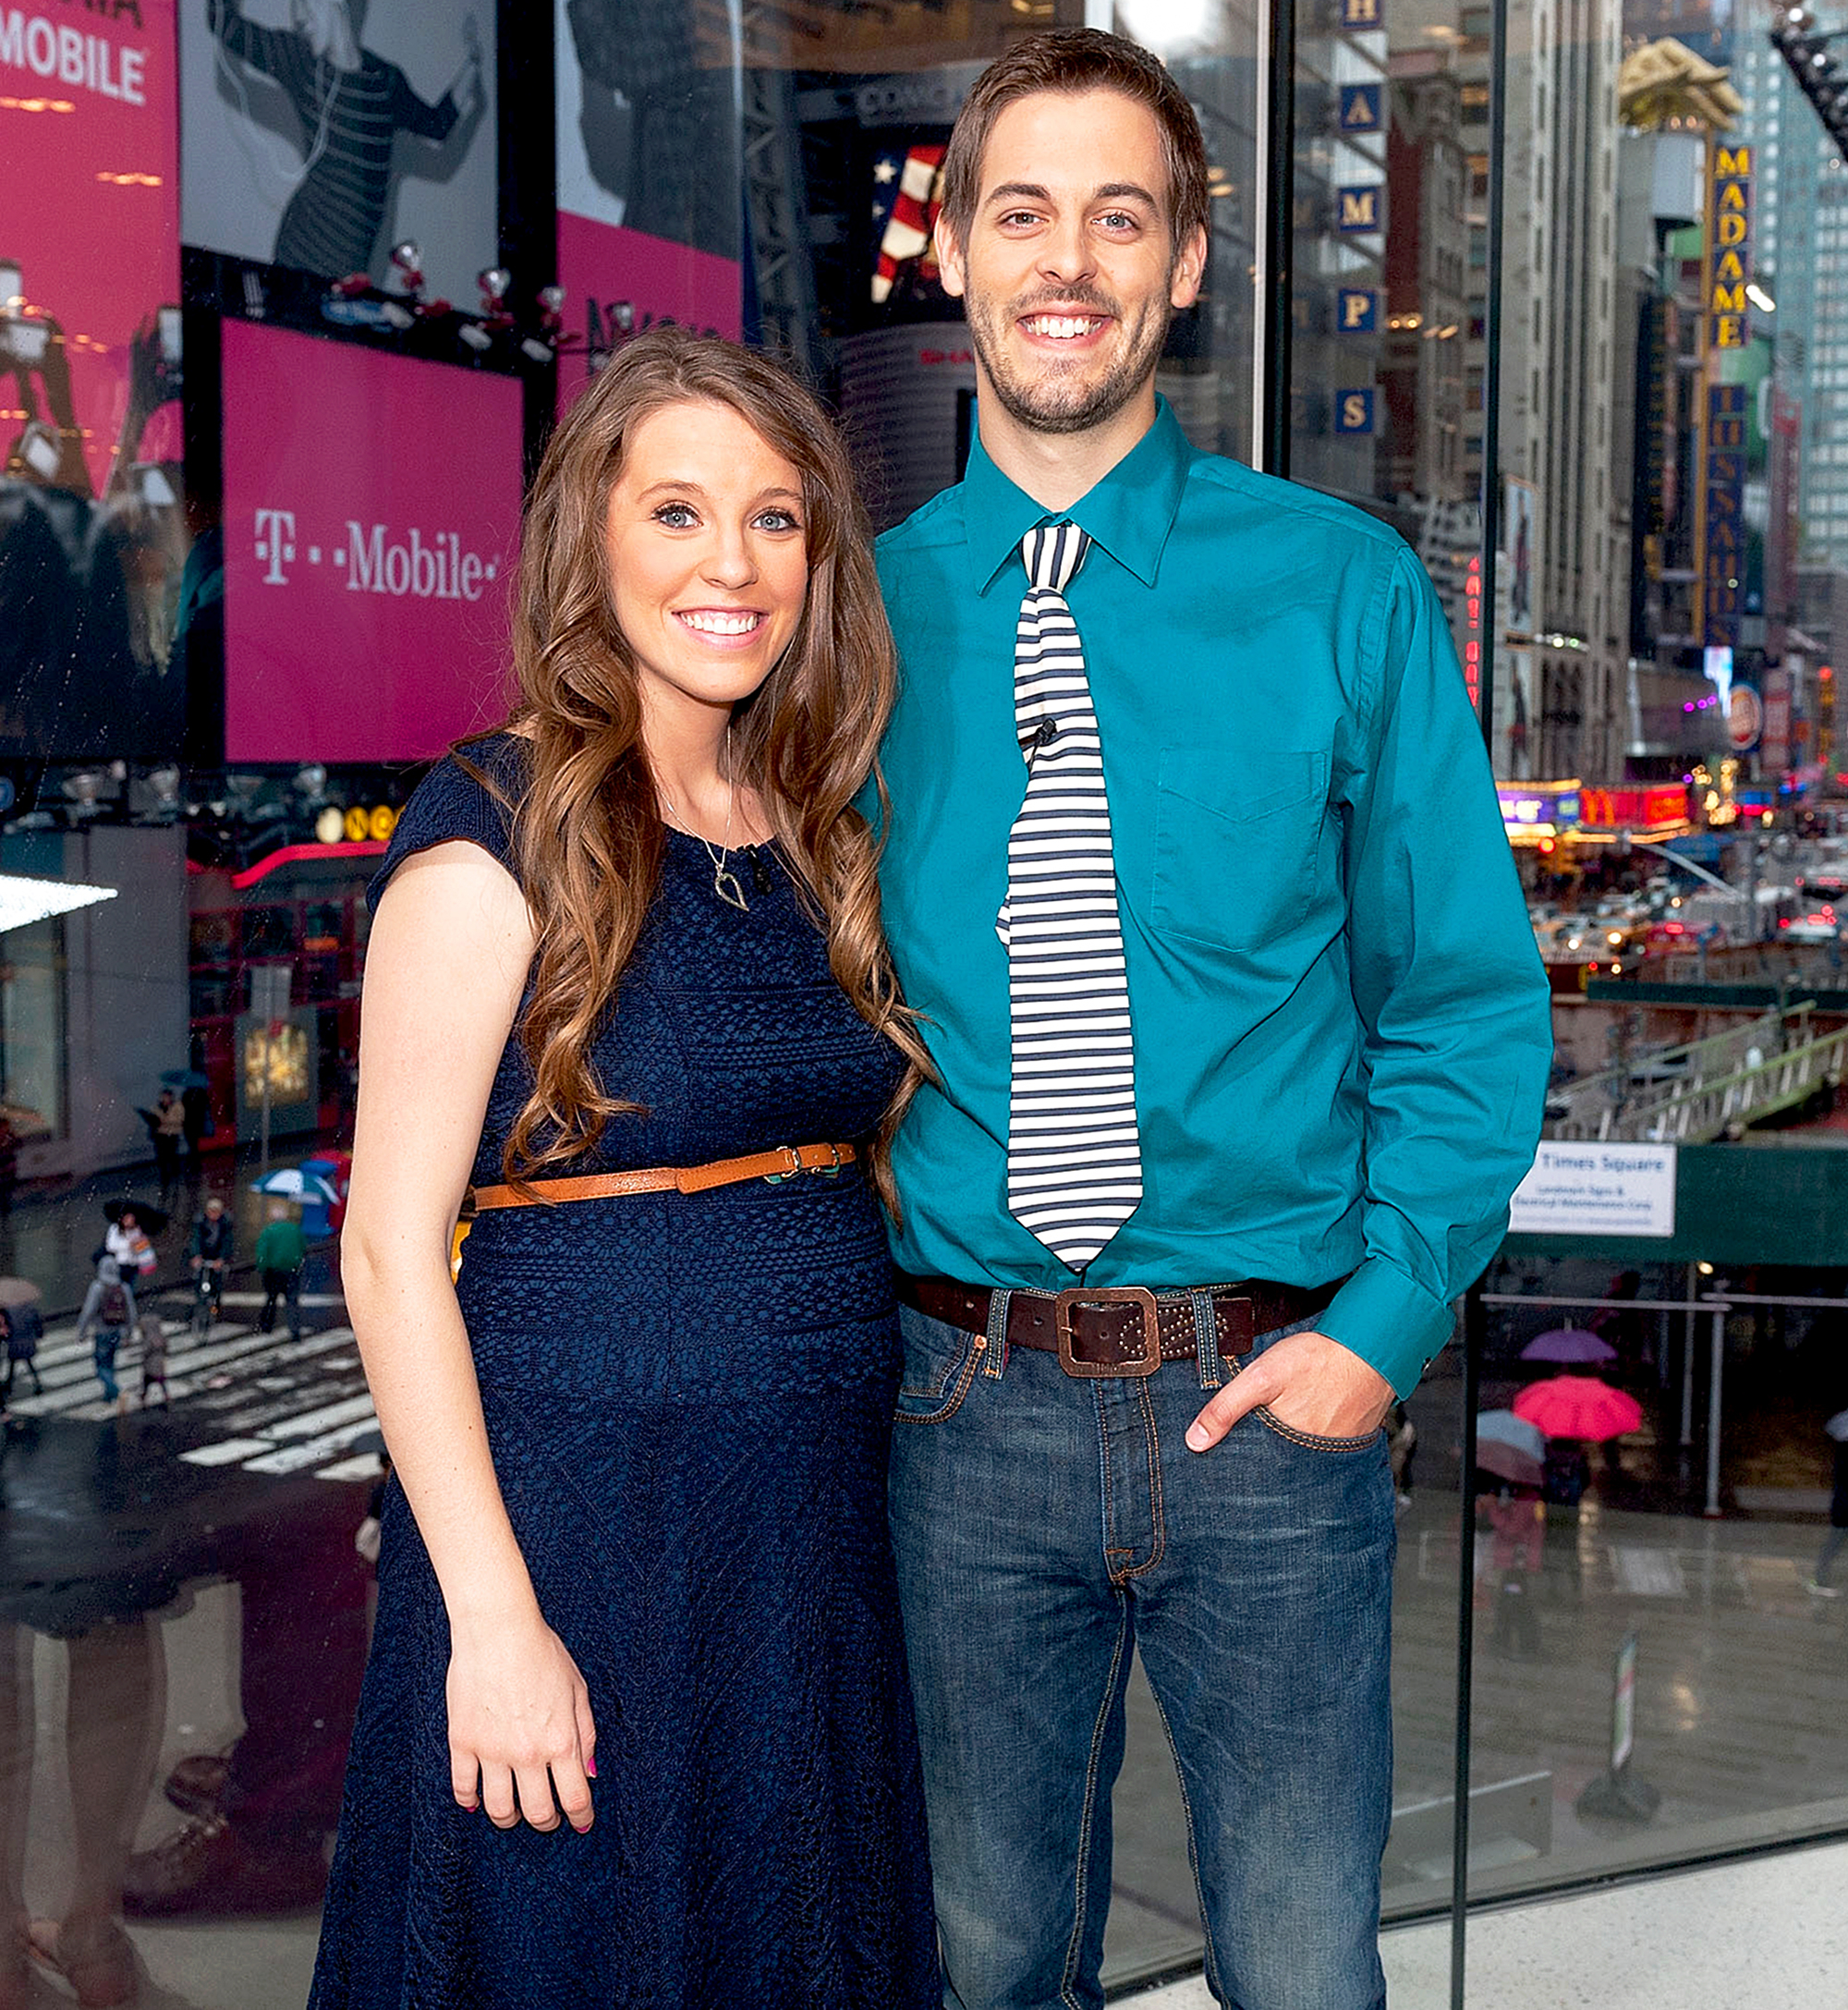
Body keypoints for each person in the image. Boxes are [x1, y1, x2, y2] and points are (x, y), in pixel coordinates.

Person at [869, 30, 1552, 2010]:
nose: (1063, 258)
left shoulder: (1341, 590)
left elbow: (1462, 1004)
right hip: (957, 1409)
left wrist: (1382, 1331)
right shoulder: (854, 614)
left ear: (1181, 266)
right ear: (953, 254)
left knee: (1299, 1969)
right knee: (987, 1964)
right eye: (1021, 211)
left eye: (1117, 214)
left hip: (1276, 1408)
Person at [308, 327, 939, 2007]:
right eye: (676, 512)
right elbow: (386, 1256)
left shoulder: (814, 828)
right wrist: (493, 1625)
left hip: (800, 1543)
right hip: (579, 1528)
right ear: (592, 538)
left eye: (777, 519)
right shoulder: (494, 828)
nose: (731, 563)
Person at [206, 0, 483, 283]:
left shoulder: (385, 80)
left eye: (305, 4)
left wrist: (473, 62)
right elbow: (223, 23)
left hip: (352, 260)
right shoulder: (301, 61)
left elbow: (437, 126)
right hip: (301, 251)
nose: (298, 17)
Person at [75, 1259, 136, 1411]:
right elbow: (132, 1312)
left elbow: (88, 1311)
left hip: (102, 1332)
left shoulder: (97, 1287)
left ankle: (116, 1391)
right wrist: (128, 1333)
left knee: (101, 1366)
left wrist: (81, 1332)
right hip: (118, 1332)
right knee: (110, 1363)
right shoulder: (124, 1287)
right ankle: (109, 1395)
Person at [254, 1199, 309, 1340]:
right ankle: (295, 1330)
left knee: (271, 1299)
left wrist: (262, 1268)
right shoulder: (295, 1229)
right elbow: (303, 1248)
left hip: (274, 1271)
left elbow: (262, 1252)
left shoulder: (268, 1231)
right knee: (292, 1301)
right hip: (292, 1270)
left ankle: (266, 1326)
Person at [1806, 1411, 1848, 1596]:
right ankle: (1819, 1579)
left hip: (1842, 1507)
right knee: (1834, 1543)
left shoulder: (1842, 1455)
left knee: (1834, 1543)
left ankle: (1820, 1578)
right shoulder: (1844, 1457)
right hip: (1844, 1508)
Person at [188, 1194, 233, 1324]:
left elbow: (227, 1242)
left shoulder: (224, 1224)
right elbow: (195, 1239)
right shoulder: (200, 1222)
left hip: (216, 1257)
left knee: (216, 1287)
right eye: (211, 1211)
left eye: (216, 1212)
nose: (213, 1214)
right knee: (200, 1284)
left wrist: (222, 1258)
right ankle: (198, 1312)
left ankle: (214, 1311)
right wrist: (196, 1255)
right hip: (204, 1256)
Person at [152, 1088, 187, 1194]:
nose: (165, 1099)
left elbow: (179, 1120)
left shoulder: (177, 1106)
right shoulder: (157, 1107)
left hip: (172, 1134)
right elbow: (153, 1120)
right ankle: (164, 1177)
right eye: (163, 1096)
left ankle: (176, 1176)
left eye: (167, 1096)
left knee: (172, 1155)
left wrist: (164, 1121)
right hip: (160, 1135)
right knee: (161, 1156)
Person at [139, 1311, 169, 1407]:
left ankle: (144, 1398)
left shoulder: (148, 1337)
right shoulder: (160, 1336)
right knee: (161, 1381)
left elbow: (146, 1350)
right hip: (159, 1364)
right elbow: (166, 1348)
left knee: (146, 1381)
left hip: (150, 1365)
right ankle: (166, 1395)